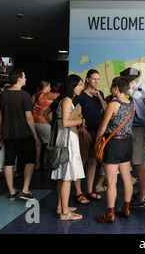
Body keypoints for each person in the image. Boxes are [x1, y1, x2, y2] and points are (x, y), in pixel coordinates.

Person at [95, 76, 135, 223]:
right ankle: (126, 208)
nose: (111, 89)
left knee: (111, 181)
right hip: (128, 144)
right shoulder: (131, 104)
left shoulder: (113, 104)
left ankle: (110, 214)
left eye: (112, 87)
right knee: (127, 178)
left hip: (113, 144)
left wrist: (97, 142)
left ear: (116, 88)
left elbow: (103, 127)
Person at [0, 69, 40, 200]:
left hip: (8, 134)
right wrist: (35, 134)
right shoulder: (24, 95)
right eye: (24, 77)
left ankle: (12, 191)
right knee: (30, 160)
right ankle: (25, 190)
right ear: (19, 79)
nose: (26, 79)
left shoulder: (2, 95)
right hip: (23, 133)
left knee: (9, 162)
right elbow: (28, 117)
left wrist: (0, 134)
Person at [51, 74, 86, 221]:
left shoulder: (66, 100)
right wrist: (81, 120)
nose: (81, 88)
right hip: (67, 141)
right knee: (67, 178)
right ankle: (65, 213)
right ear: (72, 86)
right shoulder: (66, 101)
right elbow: (65, 122)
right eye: (78, 85)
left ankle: (61, 206)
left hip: (65, 139)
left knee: (62, 177)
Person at [120, 67, 145, 209]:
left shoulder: (136, 95)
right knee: (142, 164)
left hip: (139, 130)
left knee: (139, 164)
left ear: (131, 81)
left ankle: (142, 198)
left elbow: (139, 117)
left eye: (125, 81)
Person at [75, 69, 107, 202]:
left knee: (93, 162)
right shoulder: (81, 95)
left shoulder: (100, 94)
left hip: (97, 132)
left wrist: (99, 97)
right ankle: (78, 192)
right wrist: (84, 131)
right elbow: (77, 114)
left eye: (98, 79)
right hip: (84, 132)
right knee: (81, 162)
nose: (97, 81)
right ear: (87, 79)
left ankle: (89, 190)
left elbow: (106, 109)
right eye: (94, 79)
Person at [32, 80, 60, 170]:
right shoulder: (46, 95)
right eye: (49, 86)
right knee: (50, 144)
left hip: (34, 122)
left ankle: (37, 163)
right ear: (45, 87)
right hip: (43, 123)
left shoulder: (35, 95)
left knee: (38, 144)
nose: (50, 88)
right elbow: (60, 96)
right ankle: (47, 164)